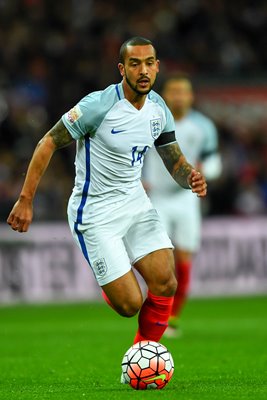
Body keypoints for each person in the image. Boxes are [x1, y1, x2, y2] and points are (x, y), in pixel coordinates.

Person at [7, 37, 207, 362]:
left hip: (136, 203)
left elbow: (175, 161)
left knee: (165, 282)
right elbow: (47, 142)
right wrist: (26, 199)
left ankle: (144, 355)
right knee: (130, 304)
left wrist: (190, 178)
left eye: (149, 63)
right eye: (134, 63)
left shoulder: (159, 109)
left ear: (157, 66)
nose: (143, 70)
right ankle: (112, 281)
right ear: (122, 68)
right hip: (95, 212)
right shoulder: (97, 106)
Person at [143, 72, 221, 337]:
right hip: (157, 199)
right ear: (165, 95)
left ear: (191, 96)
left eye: (182, 91)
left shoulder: (203, 127)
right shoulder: (150, 119)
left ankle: (172, 319)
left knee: (184, 259)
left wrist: (204, 172)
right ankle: (157, 315)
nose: (177, 96)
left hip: (186, 199)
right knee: (159, 261)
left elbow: (213, 162)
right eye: (173, 91)